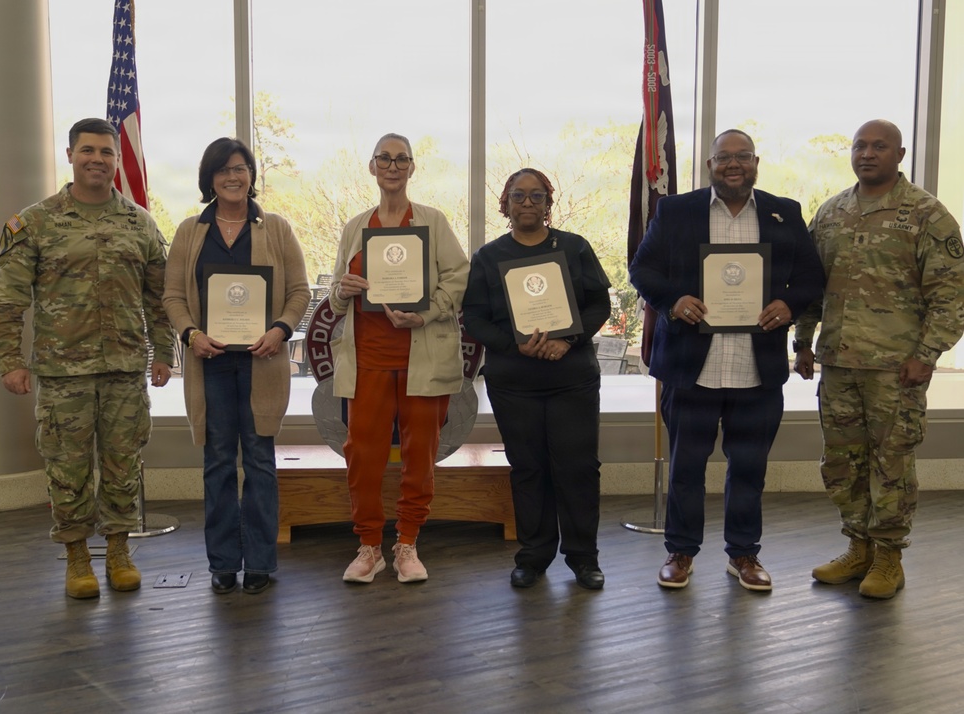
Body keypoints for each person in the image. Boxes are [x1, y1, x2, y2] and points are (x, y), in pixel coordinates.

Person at [0, 118, 174, 599]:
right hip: (62, 372)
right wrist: (10, 359)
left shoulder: (139, 223)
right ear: (70, 155)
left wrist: (164, 352)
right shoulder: (36, 222)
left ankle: (117, 551)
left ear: (116, 158)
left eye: (107, 152)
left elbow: (158, 297)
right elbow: (6, 300)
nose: (98, 159)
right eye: (88, 150)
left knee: (122, 464)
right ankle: (75, 557)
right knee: (66, 468)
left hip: (126, 369)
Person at [629, 129, 825, 591]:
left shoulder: (784, 213)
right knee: (686, 469)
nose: (733, 165)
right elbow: (642, 269)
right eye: (723, 158)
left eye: (742, 157)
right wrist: (673, 300)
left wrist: (788, 305)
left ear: (756, 162)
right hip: (690, 367)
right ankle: (680, 552)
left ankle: (744, 554)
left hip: (756, 369)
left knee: (749, 469)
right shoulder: (676, 211)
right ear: (710, 165)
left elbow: (812, 277)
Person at [794, 120, 964, 599]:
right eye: (860, 145)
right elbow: (810, 288)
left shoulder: (927, 215)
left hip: (896, 368)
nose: (867, 154)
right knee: (843, 462)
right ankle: (858, 548)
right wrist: (803, 342)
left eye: (879, 146)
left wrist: (928, 354)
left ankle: (889, 557)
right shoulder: (831, 213)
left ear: (900, 153)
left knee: (891, 463)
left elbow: (951, 295)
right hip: (839, 365)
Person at [163, 138, 311, 595]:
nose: (233, 176)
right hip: (210, 366)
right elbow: (171, 296)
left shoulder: (278, 229)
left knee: (261, 463)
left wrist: (281, 331)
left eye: (241, 167)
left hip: (261, 364)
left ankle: (262, 563)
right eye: (224, 169)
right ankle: (224, 564)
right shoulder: (190, 232)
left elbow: (300, 292)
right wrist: (191, 334)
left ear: (251, 174)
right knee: (218, 464)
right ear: (210, 178)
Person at [329, 133, 469, 584]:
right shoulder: (355, 227)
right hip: (367, 360)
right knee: (361, 456)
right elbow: (334, 297)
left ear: (412, 168)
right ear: (371, 167)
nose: (392, 166)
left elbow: (458, 276)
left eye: (401, 159)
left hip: (421, 358)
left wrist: (425, 314)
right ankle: (369, 545)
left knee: (419, 455)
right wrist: (342, 290)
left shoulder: (433, 222)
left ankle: (407, 542)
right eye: (384, 159)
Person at [462, 168, 611, 590]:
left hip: (571, 377)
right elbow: (473, 317)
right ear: (505, 203)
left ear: (549, 203)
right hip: (515, 381)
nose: (527, 203)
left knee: (578, 469)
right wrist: (515, 343)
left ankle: (584, 558)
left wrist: (568, 338)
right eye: (518, 196)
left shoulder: (576, 248)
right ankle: (533, 556)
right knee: (528, 469)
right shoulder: (489, 257)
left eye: (536, 196)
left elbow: (599, 304)